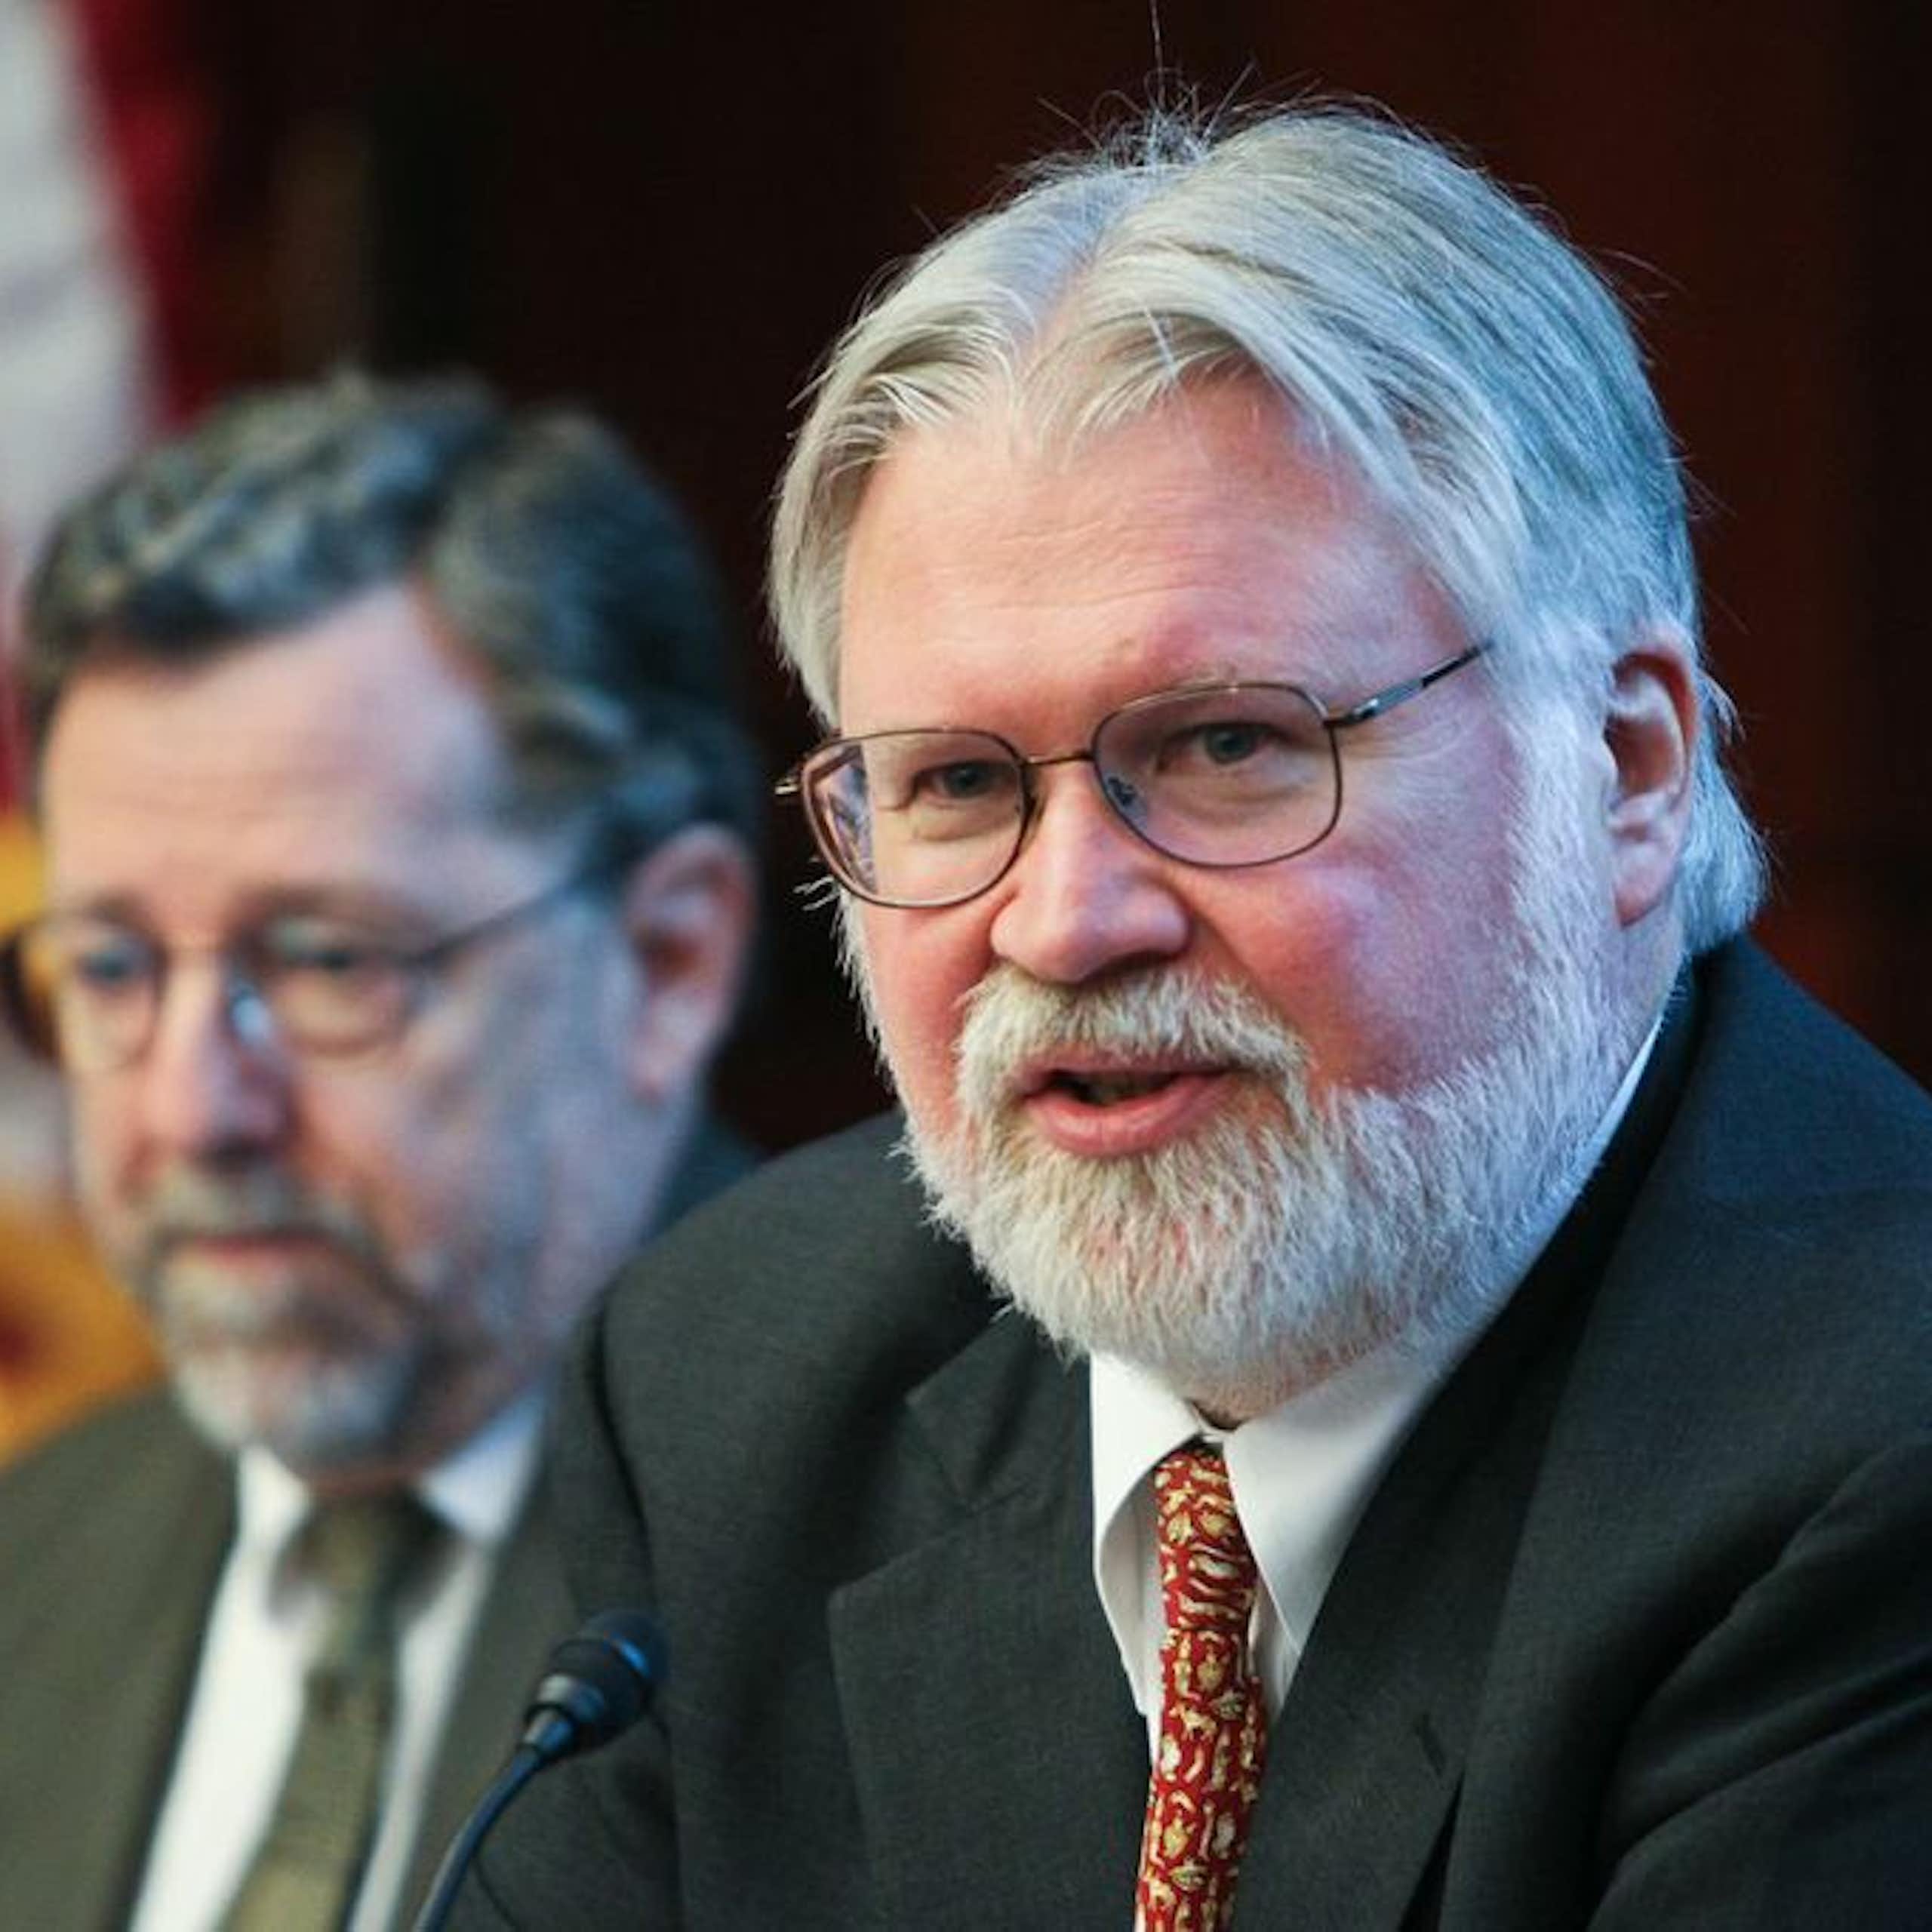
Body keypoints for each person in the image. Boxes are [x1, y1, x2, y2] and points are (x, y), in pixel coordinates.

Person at [451, 104, 1932, 1931]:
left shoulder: (1881, 1449)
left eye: (1227, 746)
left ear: (1622, 768)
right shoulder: (733, 1371)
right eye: (955, 784)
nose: (1064, 918)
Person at [0, 369, 760, 1932]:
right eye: (113, 969)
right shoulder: (36, 1550)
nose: (192, 1108)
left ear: (669, 961)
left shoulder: (942, 1567)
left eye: (331, 963)